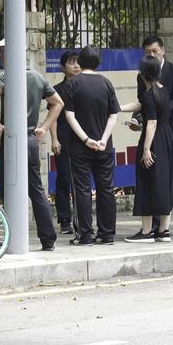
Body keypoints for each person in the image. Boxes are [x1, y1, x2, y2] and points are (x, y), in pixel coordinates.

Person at [0, 38, 62, 251]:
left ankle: (10, 237)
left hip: (10, 139)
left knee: (8, 189)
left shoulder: (6, 75)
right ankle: (48, 239)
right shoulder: (37, 77)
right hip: (30, 140)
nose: (0, 55)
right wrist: (43, 128)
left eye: (3, 51)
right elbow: (58, 103)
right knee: (36, 190)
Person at [130, 36, 173, 236]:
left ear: (163, 50)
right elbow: (143, 102)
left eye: (155, 51)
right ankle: (156, 226)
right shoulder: (142, 76)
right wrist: (138, 118)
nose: (152, 54)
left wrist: (158, 111)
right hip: (153, 133)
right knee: (153, 178)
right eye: (148, 52)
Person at [63, 45, 120, 246]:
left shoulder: (73, 83)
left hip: (79, 147)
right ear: (98, 62)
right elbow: (113, 115)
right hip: (105, 146)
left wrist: (86, 139)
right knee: (106, 188)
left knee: (82, 189)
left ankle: (85, 234)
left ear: (80, 62)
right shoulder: (106, 83)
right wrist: (103, 139)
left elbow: (70, 116)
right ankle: (107, 234)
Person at [120, 55, 173, 243]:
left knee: (146, 183)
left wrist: (146, 150)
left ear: (144, 73)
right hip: (167, 139)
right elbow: (142, 105)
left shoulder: (149, 94)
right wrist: (118, 107)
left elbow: (151, 122)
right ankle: (164, 230)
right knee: (164, 182)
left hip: (154, 140)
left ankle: (146, 232)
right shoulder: (163, 90)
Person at [49, 50, 80, 235]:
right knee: (64, 180)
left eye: (78, 62)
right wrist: (54, 139)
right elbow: (53, 117)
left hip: (82, 140)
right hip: (63, 139)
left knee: (81, 181)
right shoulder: (57, 90)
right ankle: (65, 220)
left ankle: (81, 219)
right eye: (71, 62)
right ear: (63, 67)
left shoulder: (84, 86)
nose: (76, 66)